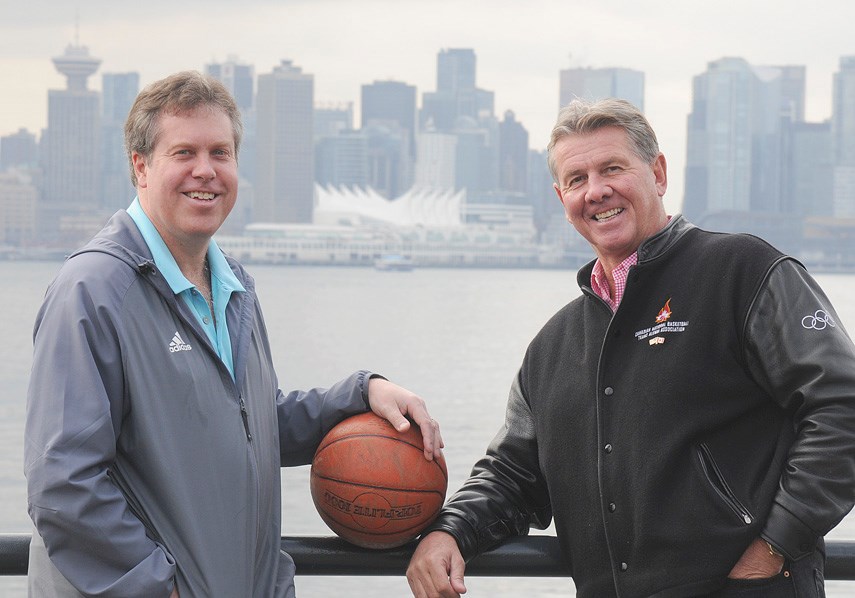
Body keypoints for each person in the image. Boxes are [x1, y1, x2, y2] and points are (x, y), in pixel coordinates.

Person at [406, 98, 855, 597]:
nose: (596, 191)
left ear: (658, 173)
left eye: (612, 168)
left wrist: (774, 545)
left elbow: (842, 407)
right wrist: (449, 532)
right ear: (562, 200)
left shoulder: (743, 272)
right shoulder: (551, 346)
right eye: (577, 179)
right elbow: (512, 474)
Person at [24, 70, 443, 598]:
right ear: (141, 167)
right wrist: (161, 588)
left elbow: (247, 422)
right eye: (184, 153)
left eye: (221, 153)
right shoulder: (94, 290)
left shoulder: (234, 287)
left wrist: (362, 393)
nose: (206, 171)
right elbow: (63, 483)